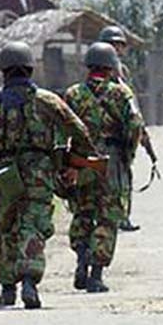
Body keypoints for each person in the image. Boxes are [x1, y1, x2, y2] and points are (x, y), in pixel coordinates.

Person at [0, 41, 96, 309]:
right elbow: (80, 132)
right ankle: (30, 282)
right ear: (30, 69)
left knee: (6, 226)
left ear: (3, 71)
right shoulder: (49, 101)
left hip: (5, 173)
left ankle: (8, 289)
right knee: (34, 224)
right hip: (40, 173)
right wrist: (74, 164)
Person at [64, 43, 144, 293]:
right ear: (111, 68)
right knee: (108, 216)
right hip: (111, 160)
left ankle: (80, 260)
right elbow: (135, 126)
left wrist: (67, 162)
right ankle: (96, 274)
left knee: (83, 212)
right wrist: (127, 156)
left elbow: (61, 127)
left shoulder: (73, 94)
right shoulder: (122, 94)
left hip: (81, 160)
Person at [97, 25, 157, 233]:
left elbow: (131, 101)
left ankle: (122, 216)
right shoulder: (99, 70)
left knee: (123, 177)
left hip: (123, 133)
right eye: (112, 45)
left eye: (119, 45)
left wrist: (140, 133)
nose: (116, 49)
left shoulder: (123, 72)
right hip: (104, 134)